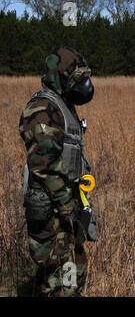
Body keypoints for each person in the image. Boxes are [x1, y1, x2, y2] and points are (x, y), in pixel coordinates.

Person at [19, 46, 98, 297]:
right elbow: (44, 165)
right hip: (52, 208)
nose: (86, 85)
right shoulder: (43, 107)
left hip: (66, 202)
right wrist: (66, 208)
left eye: (87, 78)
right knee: (60, 277)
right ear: (62, 77)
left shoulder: (63, 105)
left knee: (73, 267)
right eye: (80, 79)